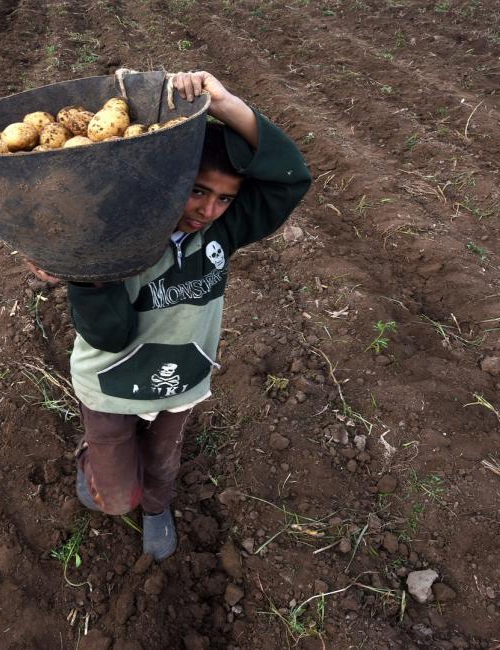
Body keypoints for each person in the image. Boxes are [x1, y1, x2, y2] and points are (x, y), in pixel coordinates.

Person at [29, 71, 310, 560]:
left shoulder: (223, 234)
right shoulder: (118, 243)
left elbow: (291, 179)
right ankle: (93, 459)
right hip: (112, 384)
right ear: (168, 181)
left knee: (161, 463)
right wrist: (87, 273)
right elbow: (109, 335)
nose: (209, 210)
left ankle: (158, 508)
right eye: (198, 191)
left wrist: (227, 105)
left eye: (225, 199)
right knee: (115, 499)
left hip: (182, 375)